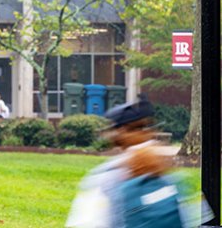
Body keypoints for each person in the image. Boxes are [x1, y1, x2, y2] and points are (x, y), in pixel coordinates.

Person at [66, 95, 194, 228]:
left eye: (147, 126)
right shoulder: (163, 171)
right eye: (142, 127)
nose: (148, 132)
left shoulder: (106, 178)